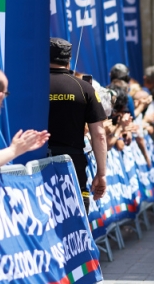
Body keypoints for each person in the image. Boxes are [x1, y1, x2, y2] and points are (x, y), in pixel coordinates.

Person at [48, 38, 108, 211]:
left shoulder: (33, 86)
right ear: (68, 60)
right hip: (73, 164)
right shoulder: (85, 88)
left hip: (37, 162)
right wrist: (102, 174)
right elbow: (99, 135)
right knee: (77, 219)